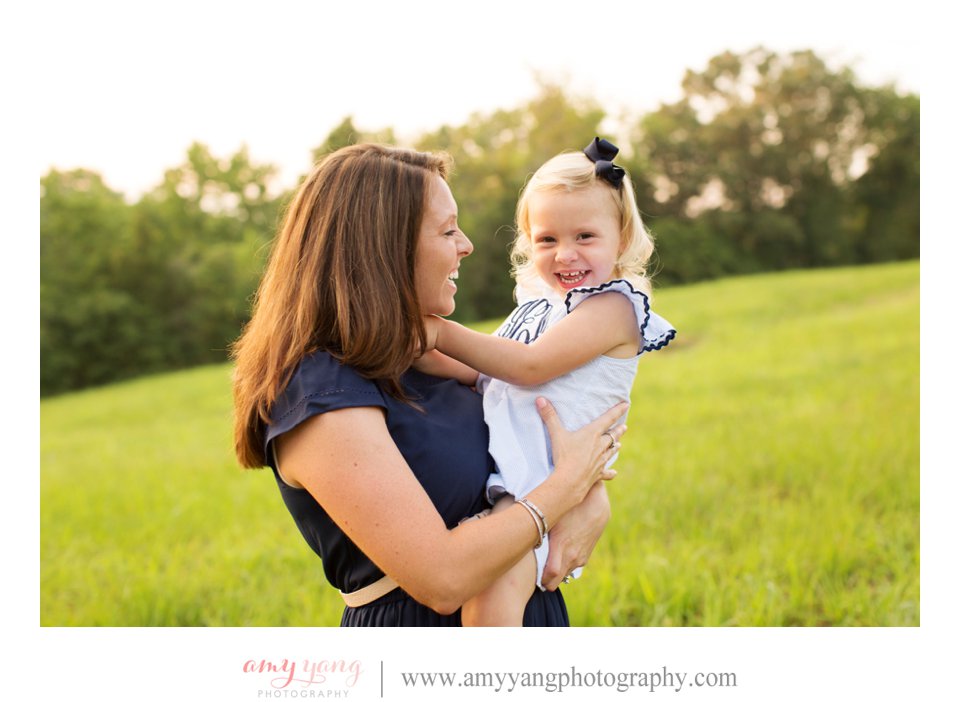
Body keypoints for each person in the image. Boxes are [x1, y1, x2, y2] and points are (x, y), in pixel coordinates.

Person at [231, 142, 629, 626]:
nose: (467, 244)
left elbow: (524, 433)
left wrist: (591, 497)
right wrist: (566, 489)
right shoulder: (318, 388)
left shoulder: (421, 357)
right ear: (382, 246)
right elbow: (443, 578)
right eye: (447, 230)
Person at [419, 137, 676, 626]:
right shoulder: (539, 308)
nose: (565, 255)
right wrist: (416, 352)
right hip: (519, 483)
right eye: (547, 240)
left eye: (585, 237)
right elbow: (482, 370)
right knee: (482, 610)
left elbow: (529, 366)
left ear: (621, 238)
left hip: (546, 488)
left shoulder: (614, 308)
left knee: (490, 608)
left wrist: (437, 329)